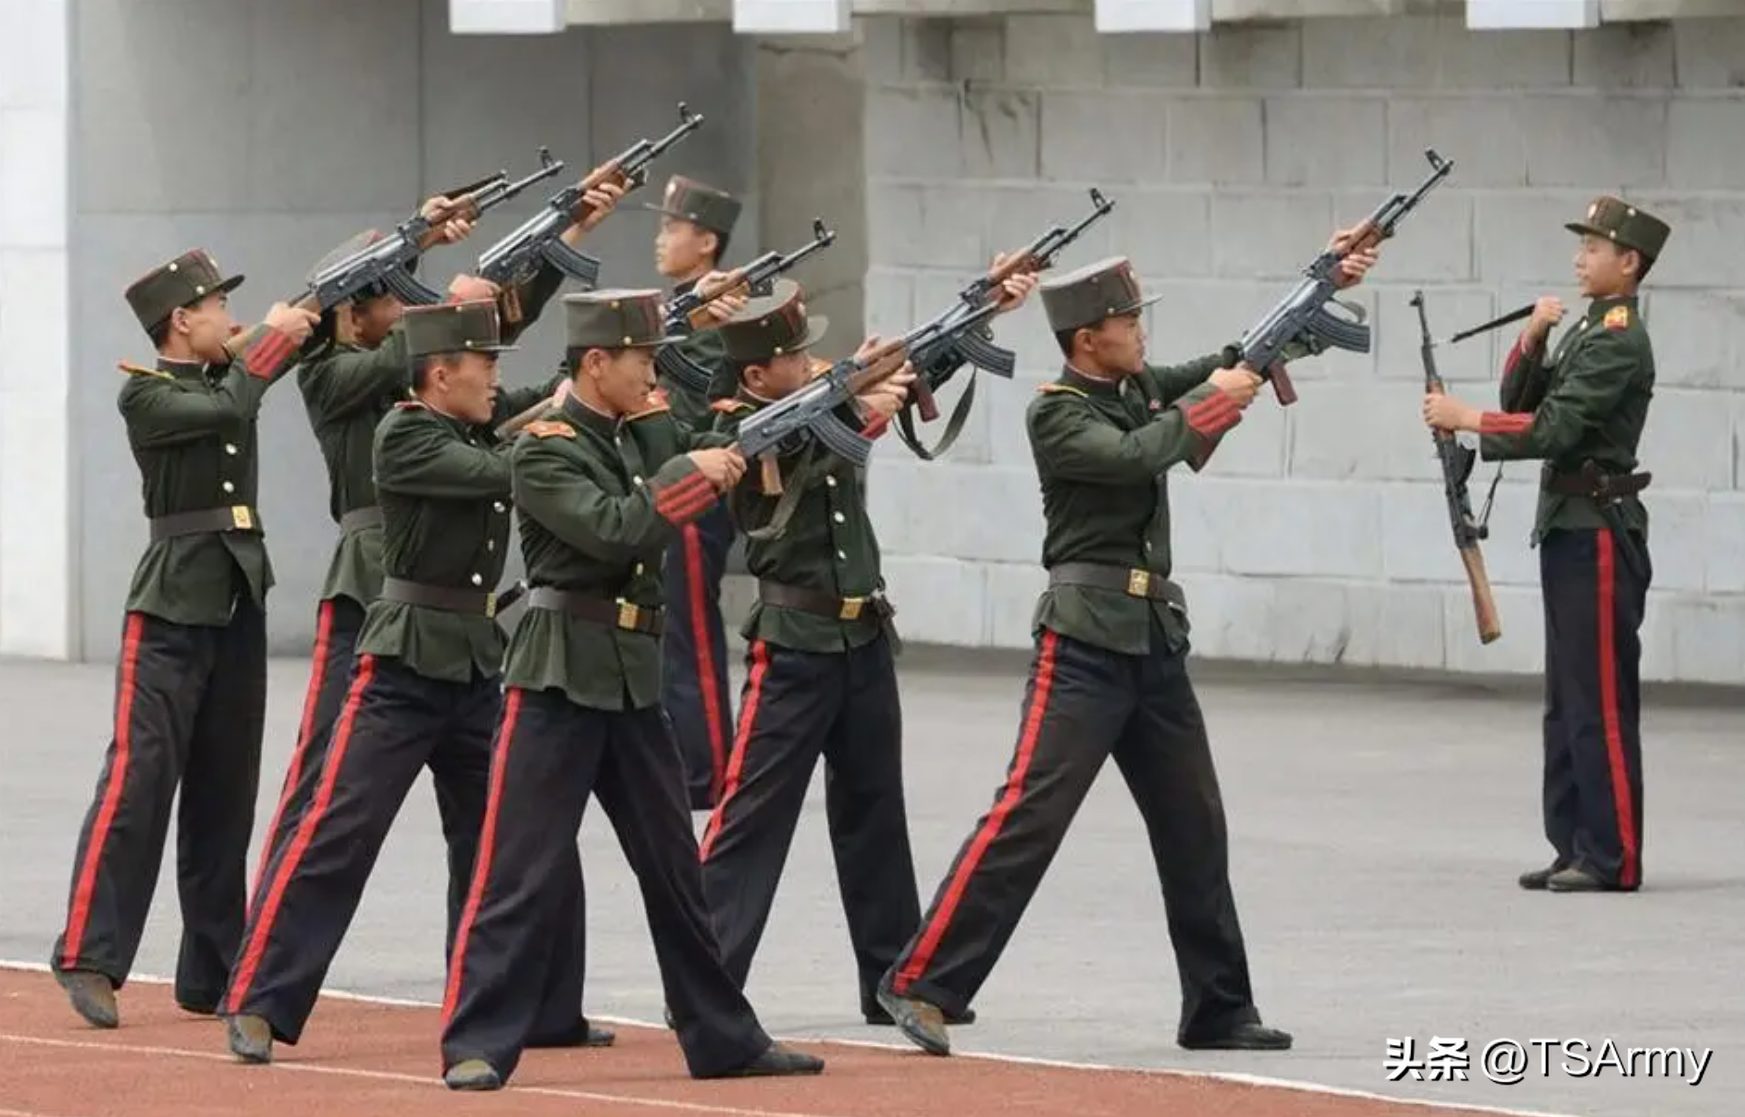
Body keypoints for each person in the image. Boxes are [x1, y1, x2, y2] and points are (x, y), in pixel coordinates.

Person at [875, 235, 1378, 1058]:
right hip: (1081, 642)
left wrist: (1315, 295)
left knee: (1194, 824)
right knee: (1028, 815)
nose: (1138, 332)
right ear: (1085, 339)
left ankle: (1216, 1004)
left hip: (1152, 642)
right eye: (1125, 321)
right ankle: (921, 981)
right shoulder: (1059, 411)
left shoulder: (1136, 385)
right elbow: (1142, 451)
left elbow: (1226, 361)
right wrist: (1216, 399)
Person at [438, 288, 833, 1090]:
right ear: (595, 362)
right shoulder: (543, 447)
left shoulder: (636, 429)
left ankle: (722, 1035)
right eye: (642, 362)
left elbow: (697, 443)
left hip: (629, 682)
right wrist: (690, 474)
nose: (655, 377)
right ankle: (478, 1040)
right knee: (517, 868)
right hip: (555, 680)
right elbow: (617, 526)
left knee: (675, 872)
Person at [218, 284, 602, 1063]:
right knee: (339, 831)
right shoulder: (406, 434)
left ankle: (540, 1007)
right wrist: (559, 421)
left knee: (510, 843)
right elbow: (504, 466)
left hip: (475, 664)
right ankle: (259, 997)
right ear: (436, 375)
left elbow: (522, 417)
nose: (494, 376)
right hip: (400, 668)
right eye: (480, 364)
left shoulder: (469, 420)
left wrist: (578, 394)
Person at [696, 268, 1034, 1026]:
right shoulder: (731, 430)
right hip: (793, 643)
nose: (810, 364)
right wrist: (854, 406)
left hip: (861, 633)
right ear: (756, 373)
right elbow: (773, 488)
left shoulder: (820, 404)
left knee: (875, 812)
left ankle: (888, 971)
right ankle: (705, 975)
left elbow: (908, 375)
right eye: (794, 358)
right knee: (753, 817)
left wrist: (976, 317)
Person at [49, 249, 319, 1028]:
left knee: (224, 793)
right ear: (180, 320)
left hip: (236, 600)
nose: (231, 321)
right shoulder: (149, 392)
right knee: (139, 783)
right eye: (216, 310)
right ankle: (89, 955)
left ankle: (211, 966)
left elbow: (266, 363)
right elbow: (231, 406)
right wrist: (267, 342)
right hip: (170, 607)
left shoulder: (220, 374)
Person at [1423, 195, 1667, 894]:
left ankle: (1612, 855)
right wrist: (1530, 338)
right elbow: (1522, 396)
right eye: (1581, 246)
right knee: (1565, 700)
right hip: (1565, 524)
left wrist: (1464, 418)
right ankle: (1573, 843)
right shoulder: (1588, 329)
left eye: (1593, 248)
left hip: (1596, 530)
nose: (1578, 258)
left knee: (1598, 700)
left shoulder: (1619, 338)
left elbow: (1553, 430)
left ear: (1628, 262)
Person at [646, 174, 747, 809]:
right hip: (667, 480)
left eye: (672, 228)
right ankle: (688, 757)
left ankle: (708, 768)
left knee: (691, 631)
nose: (660, 240)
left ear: (706, 242)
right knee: (672, 628)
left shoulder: (715, 323)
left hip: (696, 486)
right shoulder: (679, 314)